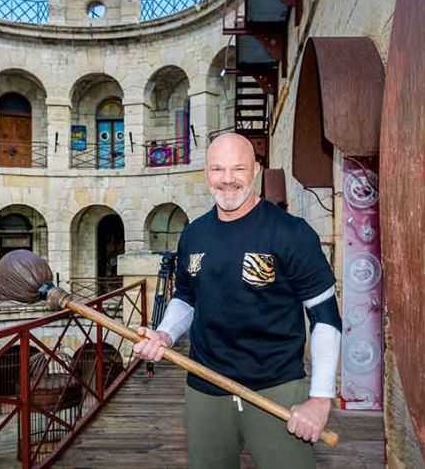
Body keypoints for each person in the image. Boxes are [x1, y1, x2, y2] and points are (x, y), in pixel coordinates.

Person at [133, 133, 341, 469]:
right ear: (206, 174)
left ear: (256, 170)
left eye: (238, 168)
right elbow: (186, 297)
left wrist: (319, 399)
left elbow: (325, 316)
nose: (227, 179)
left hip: (276, 388)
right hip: (205, 385)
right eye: (218, 169)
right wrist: (165, 335)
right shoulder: (194, 234)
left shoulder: (291, 233)